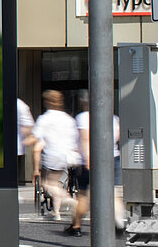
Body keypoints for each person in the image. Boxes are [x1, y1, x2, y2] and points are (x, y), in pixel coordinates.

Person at [72, 89, 124, 233]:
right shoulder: (113, 118)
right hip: (112, 158)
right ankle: (118, 222)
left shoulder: (83, 117)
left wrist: (87, 158)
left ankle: (76, 226)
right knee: (112, 192)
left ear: (84, 102)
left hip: (90, 159)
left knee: (83, 194)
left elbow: (85, 139)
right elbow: (117, 137)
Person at [31, 90, 82, 230]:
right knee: (59, 184)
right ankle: (56, 212)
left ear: (47, 102)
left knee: (48, 184)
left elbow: (36, 146)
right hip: (70, 156)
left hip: (53, 156)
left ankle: (68, 201)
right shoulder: (69, 119)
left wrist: (35, 169)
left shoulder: (45, 119)